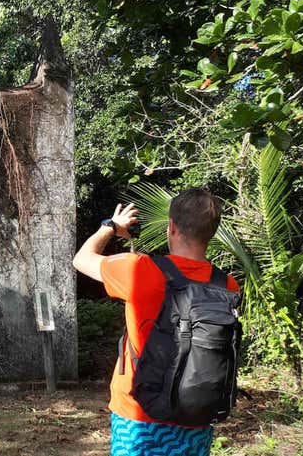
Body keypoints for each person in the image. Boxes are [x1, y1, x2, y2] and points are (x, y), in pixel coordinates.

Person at [72, 188, 240, 456]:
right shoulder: (227, 285)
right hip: (196, 413)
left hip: (139, 415)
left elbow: (81, 259)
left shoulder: (140, 270)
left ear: (171, 227)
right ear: (212, 232)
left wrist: (110, 227)